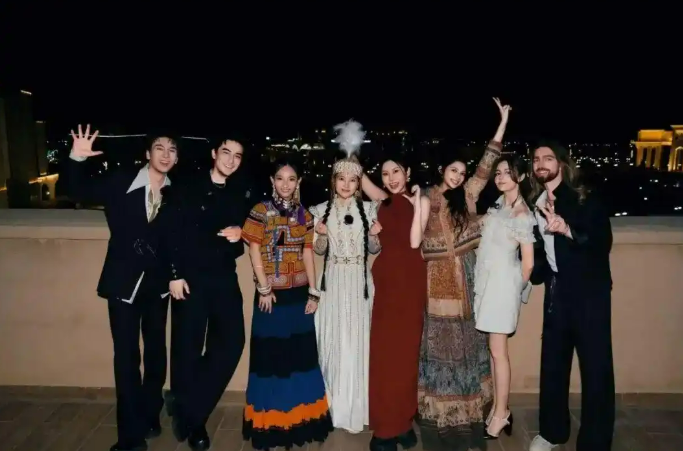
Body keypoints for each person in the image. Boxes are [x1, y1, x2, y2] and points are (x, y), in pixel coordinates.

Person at [64, 124, 178, 451]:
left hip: (158, 286)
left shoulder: (177, 192)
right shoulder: (121, 181)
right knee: (126, 359)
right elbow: (76, 190)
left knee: (156, 354)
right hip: (123, 283)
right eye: (160, 148)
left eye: (172, 150)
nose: (166, 155)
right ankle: (130, 437)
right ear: (147, 153)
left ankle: (150, 414)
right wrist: (76, 158)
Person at [415, 98, 510, 451]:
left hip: (469, 280)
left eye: (460, 171)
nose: (457, 176)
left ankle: (470, 415)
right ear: (442, 169)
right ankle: (441, 415)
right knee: (441, 348)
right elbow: (415, 239)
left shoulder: (467, 194)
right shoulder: (426, 198)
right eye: (452, 170)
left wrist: (501, 124)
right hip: (437, 282)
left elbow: (486, 165)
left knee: (469, 346)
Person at [160, 136, 251, 451]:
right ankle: (195, 422)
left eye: (237, 155)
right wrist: (174, 274)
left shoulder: (241, 191)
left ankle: (188, 408)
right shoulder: (188, 185)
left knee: (232, 343)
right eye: (226, 152)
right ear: (214, 153)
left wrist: (243, 232)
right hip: (190, 279)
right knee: (187, 350)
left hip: (224, 278)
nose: (231, 160)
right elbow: (169, 230)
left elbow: (254, 229)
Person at [527, 142, 614, 451]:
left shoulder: (583, 197)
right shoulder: (536, 202)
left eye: (548, 158)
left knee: (595, 368)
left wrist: (567, 229)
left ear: (562, 164)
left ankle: (595, 442)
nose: (541, 163)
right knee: (553, 364)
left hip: (589, 293)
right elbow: (542, 252)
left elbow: (601, 241)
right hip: (557, 291)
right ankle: (552, 433)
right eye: (536, 159)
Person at [241, 158, 333, 450]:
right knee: (271, 360)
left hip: (299, 295)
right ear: (272, 180)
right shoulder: (260, 211)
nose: (285, 184)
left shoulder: (304, 214)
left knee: (300, 358)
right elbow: (254, 250)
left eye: (291, 179)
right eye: (280, 178)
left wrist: (314, 292)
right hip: (271, 296)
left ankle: (299, 421)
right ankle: (271, 425)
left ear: (298, 182)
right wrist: (264, 288)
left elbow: (308, 254)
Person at [361, 150, 430, 451]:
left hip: (410, 283)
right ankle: (385, 428)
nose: (391, 178)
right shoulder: (382, 202)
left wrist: (417, 202)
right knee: (384, 356)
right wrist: (351, 153)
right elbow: (362, 180)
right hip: (387, 284)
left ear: (408, 172)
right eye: (385, 174)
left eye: (396, 171)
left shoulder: (421, 200)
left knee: (406, 356)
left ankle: (402, 422)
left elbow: (415, 241)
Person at [310, 154, 382, 433]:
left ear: (359, 183)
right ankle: (332, 407)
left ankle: (357, 407)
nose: (347, 184)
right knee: (333, 339)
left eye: (353, 180)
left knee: (358, 341)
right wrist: (321, 234)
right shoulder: (321, 209)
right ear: (334, 181)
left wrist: (374, 235)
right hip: (333, 281)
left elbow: (374, 249)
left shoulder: (369, 209)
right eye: (342, 179)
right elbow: (319, 251)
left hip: (358, 282)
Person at [473, 155, 535, 440]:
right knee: (494, 351)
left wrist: (512, 290)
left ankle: (501, 414)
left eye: (507, 173)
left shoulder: (521, 214)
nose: (500, 177)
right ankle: (500, 408)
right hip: (488, 283)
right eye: (497, 173)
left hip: (502, 288)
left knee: (499, 353)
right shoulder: (499, 204)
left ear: (520, 177)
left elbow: (528, 264)